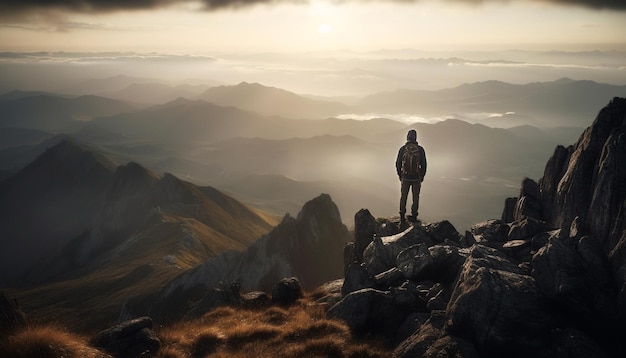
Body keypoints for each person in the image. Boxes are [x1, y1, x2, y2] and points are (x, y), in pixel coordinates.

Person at [396, 129, 427, 224]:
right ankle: (414, 216)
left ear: (407, 137)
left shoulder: (402, 149)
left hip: (405, 177)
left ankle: (402, 216)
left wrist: (400, 175)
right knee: (415, 197)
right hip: (416, 178)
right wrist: (422, 176)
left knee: (403, 196)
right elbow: (424, 164)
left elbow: (398, 163)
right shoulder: (420, 149)